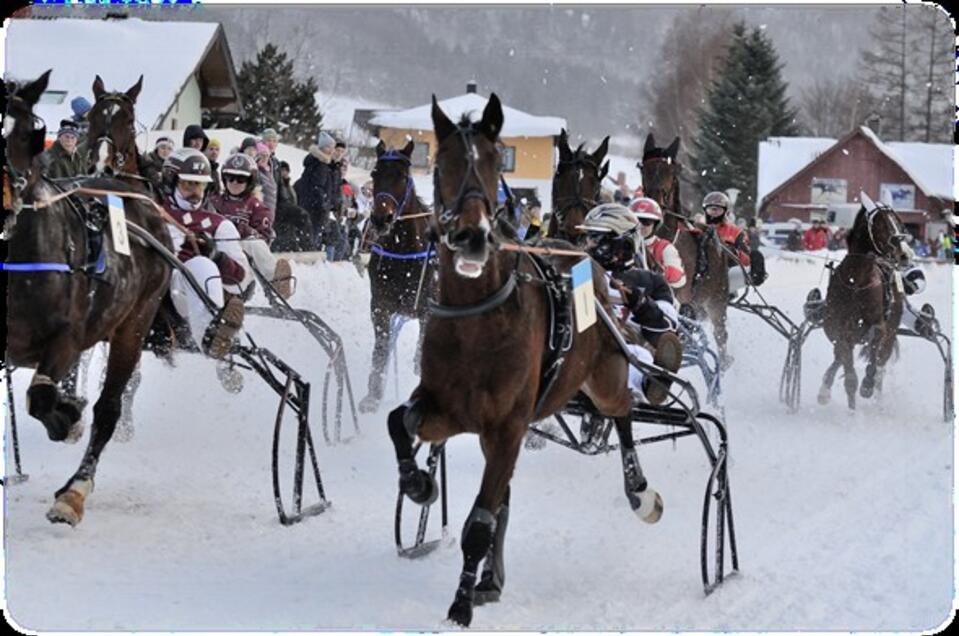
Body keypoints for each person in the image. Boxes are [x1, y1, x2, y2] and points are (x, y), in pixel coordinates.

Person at [576, 202, 684, 405]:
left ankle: (647, 384)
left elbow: (667, 329)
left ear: (622, 243)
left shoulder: (650, 281)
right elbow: (582, 319)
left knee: (637, 354)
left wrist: (641, 304)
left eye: (596, 238)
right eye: (587, 237)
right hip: (583, 343)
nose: (588, 244)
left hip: (623, 346)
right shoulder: (580, 272)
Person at [160, 148, 249, 359]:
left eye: (199, 185)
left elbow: (241, 280)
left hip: (179, 296)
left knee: (202, 265)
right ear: (171, 182)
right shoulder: (150, 212)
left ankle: (213, 339)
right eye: (187, 184)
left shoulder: (220, 225)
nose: (194, 191)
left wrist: (217, 257)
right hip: (143, 293)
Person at [209, 153, 293, 298]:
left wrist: (243, 230)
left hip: (241, 258)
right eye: (230, 177)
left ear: (250, 181)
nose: (235, 182)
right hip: (217, 251)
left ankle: (276, 279)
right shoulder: (214, 202)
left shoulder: (256, 206)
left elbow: (265, 236)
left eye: (241, 179)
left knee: (254, 244)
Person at [701, 191, 766, 287]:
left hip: (727, 272)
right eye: (711, 209)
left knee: (756, 255)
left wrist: (734, 252)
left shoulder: (735, 232)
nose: (714, 213)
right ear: (705, 210)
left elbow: (747, 259)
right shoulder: (698, 229)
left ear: (725, 211)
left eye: (718, 209)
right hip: (701, 270)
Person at [628, 197, 687, 290]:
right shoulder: (619, 242)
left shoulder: (665, 248)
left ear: (655, 224)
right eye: (636, 220)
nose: (640, 225)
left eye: (646, 222)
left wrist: (659, 272)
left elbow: (680, 280)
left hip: (652, 296)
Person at [294, 130, 338, 249]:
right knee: (312, 236)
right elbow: (317, 187)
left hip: (311, 204)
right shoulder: (321, 164)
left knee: (311, 234)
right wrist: (323, 204)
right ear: (323, 147)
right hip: (315, 207)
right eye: (329, 147)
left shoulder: (318, 163)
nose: (332, 150)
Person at [273, 161, 314, 253]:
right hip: (282, 212)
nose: (285, 173)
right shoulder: (279, 184)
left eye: (286, 170)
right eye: (282, 170)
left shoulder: (289, 186)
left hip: (289, 212)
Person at [254, 142, 277, 215]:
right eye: (262, 155)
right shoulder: (255, 172)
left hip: (269, 212)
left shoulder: (268, 173)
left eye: (266, 155)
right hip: (259, 213)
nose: (264, 158)